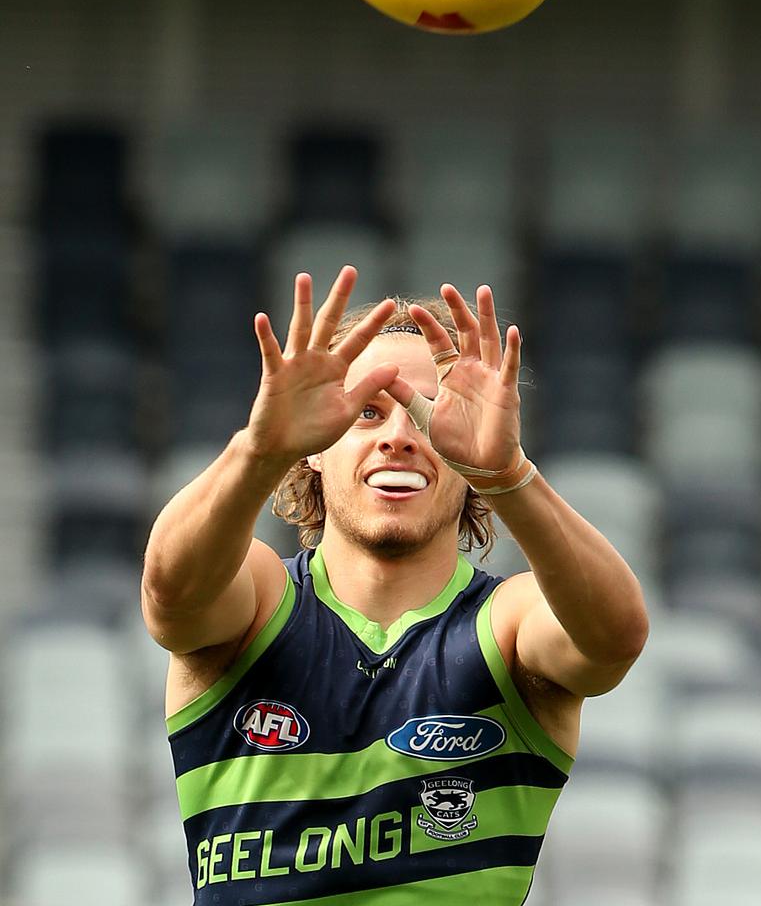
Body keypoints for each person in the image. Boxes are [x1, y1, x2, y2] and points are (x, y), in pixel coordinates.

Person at [142, 265, 649, 906]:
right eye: (365, 412)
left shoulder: (506, 626)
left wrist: (509, 475)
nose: (399, 438)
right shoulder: (260, 603)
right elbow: (171, 596)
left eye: (431, 414)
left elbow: (615, 639)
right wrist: (258, 450)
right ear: (314, 450)